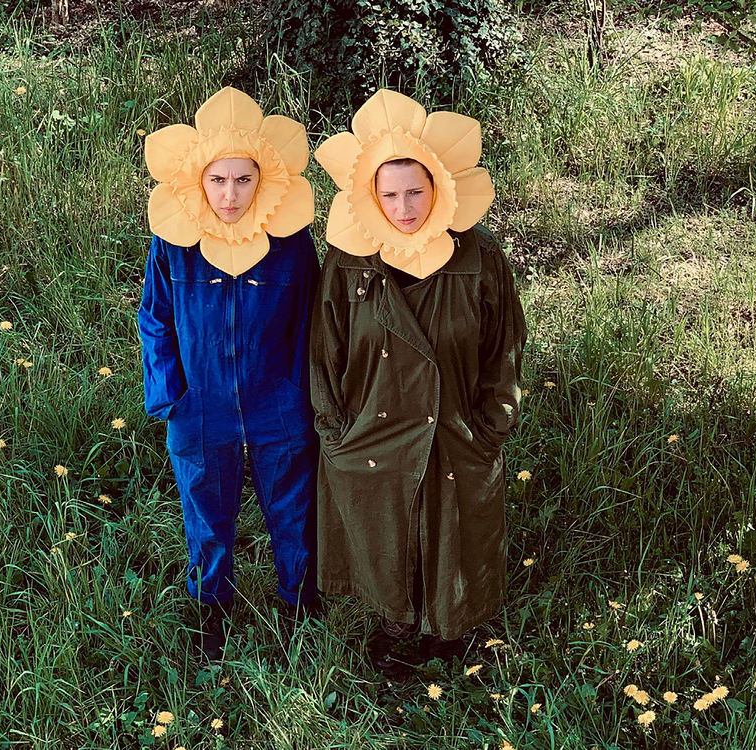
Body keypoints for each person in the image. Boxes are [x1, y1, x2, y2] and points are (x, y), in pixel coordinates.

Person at [310, 89, 527, 674]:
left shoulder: (479, 260)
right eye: (389, 194)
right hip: (375, 420)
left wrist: (492, 421)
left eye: (415, 192)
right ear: (370, 197)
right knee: (387, 518)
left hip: (455, 420)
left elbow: (504, 347)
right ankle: (393, 618)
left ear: (438, 187)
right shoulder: (349, 260)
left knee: (451, 520)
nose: (404, 207)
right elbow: (324, 347)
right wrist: (333, 426)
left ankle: (449, 625)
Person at [137, 87, 321, 661]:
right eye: (219, 181)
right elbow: (155, 318)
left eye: (243, 180)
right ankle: (211, 605)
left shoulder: (291, 241)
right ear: (199, 183)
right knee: (206, 505)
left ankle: (299, 604)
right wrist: (170, 394)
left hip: (278, 399)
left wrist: (301, 392)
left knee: (292, 506)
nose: (231, 193)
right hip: (201, 400)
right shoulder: (174, 242)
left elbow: (312, 319)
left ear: (262, 181)